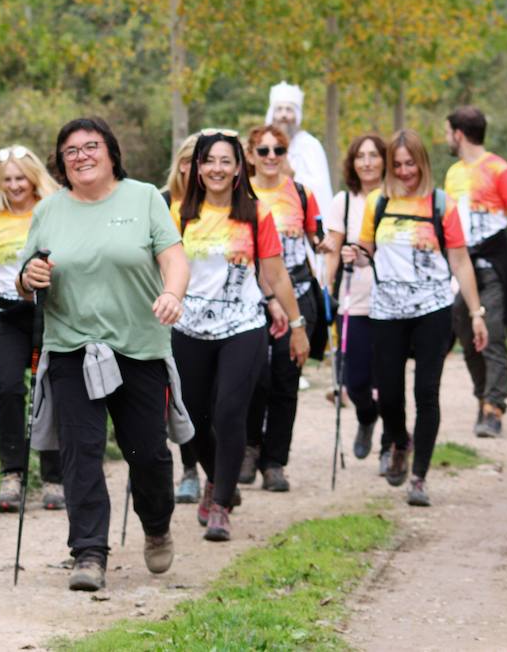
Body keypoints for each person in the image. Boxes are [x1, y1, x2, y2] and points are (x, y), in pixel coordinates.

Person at [18, 117, 191, 592]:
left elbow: (173, 257)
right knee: (81, 452)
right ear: (61, 162)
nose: (81, 156)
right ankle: (89, 552)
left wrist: (173, 293)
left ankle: (156, 525)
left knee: (148, 453)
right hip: (73, 345)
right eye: (70, 151)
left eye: (90, 146)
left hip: (138, 345)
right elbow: (26, 274)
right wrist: (29, 277)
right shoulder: (49, 210)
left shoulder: (143, 199)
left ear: (111, 153)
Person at [171, 130, 309, 540]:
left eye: (225, 161)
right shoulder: (177, 213)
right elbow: (158, 270)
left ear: (237, 168)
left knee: (230, 411)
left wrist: (297, 325)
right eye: (209, 160)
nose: (217, 168)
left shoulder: (256, 214)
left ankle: (220, 504)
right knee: (193, 417)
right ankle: (218, 477)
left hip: (242, 326)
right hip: (189, 327)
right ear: (197, 167)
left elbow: (274, 273)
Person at [350, 129, 487, 507]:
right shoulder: (378, 201)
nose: (405, 170)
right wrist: (354, 255)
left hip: (432, 310)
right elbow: (366, 251)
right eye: (397, 164)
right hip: (387, 310)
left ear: (423, 163)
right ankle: (399, 441)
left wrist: (476, 313)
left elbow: (460, 260)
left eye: (411, 163)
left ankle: (419, 477)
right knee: (390, 394)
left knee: (426, 392)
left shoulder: (440, 204)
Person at [240, 123, 324, 492]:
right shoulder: (240, 196)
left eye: (278, 150)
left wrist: (339, 246)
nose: (271, 157)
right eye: (263, 151)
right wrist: (268, 295)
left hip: (298, 291)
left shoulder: (302, 194)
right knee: (254, 376)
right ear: (250, 156)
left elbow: (318, 238)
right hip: (252, 297)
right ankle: (249, 446)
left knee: (286, 379)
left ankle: (275, 461)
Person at [443, 106, 507, 438]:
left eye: (447, 132)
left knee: (493, 331)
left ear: (458, 133)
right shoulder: (452, 173)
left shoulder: (499, 168)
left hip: (494, 264)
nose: (446, 138)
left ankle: (495, 407)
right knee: (465, 332)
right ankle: (483, 394)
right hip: (461, 266)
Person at [0, 145, 63, 514]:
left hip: (48, 310)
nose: (15, 186)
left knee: (48, 389)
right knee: (8, 388)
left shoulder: (51, 212)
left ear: (33, 179)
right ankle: (12, 473)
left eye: (21, 178)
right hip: (7, 312)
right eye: (8, 180)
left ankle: (54, 476)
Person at [322, 133, 393, 471]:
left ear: (385, 160)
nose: (367, 162)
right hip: (355, 300)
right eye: (360, 156)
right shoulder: (344, 202)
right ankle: (367, 417)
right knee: (356, 381)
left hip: (393, 302)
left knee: (390, 379)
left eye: (374, 155)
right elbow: (334, 248)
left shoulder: (397, 198)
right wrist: (328, 288)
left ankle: (390, 446)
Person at [162, 133, 204, 504]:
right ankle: (188, 470)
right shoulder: (160, 203)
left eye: (201, 160)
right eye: (188, 160)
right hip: (165, 314)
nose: (193, 169)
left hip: (212, 314)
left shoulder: (220, 207)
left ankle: (217, 467)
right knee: (179, 396)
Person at [265, 82, 333, 209]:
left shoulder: (310, 145)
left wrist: (293, 177)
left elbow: (320, 188)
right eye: (279, 109)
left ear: (297, 116)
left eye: (289, 110)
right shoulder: (263, 145)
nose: (283, 115)